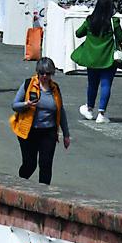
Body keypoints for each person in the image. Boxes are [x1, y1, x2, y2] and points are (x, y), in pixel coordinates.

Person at [11, 57, 71, 185]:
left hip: (48, 132)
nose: (44, 76)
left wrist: (66, 134)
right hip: (29, 131)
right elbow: (14, 105)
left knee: (46, 164)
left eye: (48, 73)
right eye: (42, 73)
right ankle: (20, 185)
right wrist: (26, 104)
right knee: (30, 164)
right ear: (37, 72)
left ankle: (44, 194)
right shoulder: (28, 84)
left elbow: (61, 111)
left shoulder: (55, 89)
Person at [71, 0, 122, 123]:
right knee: (106, 85)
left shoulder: (90, 21)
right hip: (108, 59)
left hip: (92, 58)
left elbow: (78, 33)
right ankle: (101, 113)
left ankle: (89, 109)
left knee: (92, 84)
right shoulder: (113, 22)